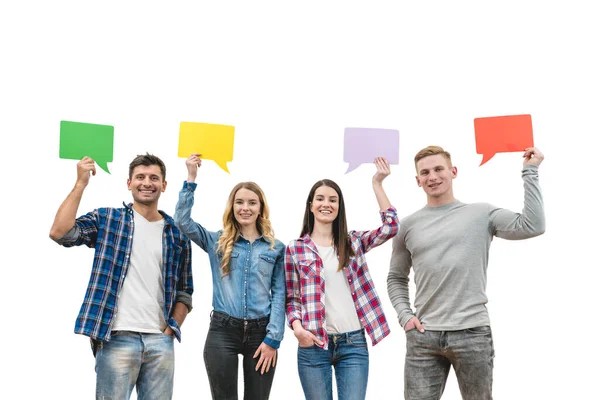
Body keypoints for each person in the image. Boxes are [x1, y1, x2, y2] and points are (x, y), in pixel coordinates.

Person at [387, 145, 545, 399]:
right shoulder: (407, 226)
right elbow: (396, 277)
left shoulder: (481, 214)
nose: (433, 177)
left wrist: (530, 171)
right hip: (424, 337)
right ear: (418, 181)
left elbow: (533, 225)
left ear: (453, 172)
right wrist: (405, 316)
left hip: (472, 333)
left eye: (439, 169)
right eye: (425, 172)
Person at [49, 154, 193, 400]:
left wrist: (170, 329)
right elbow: (60, 233)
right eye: (140, 177)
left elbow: (185, 291)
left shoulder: (177, 233)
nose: (147, 182)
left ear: (164, 185)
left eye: (154, 178)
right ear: (129, 183)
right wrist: (80, 183)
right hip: (116, 337)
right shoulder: (108, 220)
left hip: (160, 342)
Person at [285, 157, 399, 400]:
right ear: (311, 205)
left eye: (333, 200)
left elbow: (391, 228)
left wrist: (377, 183)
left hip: (353, 344)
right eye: (321, 198)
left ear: (339, 207)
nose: (327, 204)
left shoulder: (353, 242)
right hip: (313, 344)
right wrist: (297, 329)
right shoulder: (295, 249)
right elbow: (292, 298)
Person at [174, 153, 285, 400]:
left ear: (261, 208)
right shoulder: (216, 241)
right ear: (232, 207)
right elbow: (182, 222)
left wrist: (273, 339)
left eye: (252, 203)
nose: (245, 208)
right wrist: (191, 178)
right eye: (239, 202)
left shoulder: (276, 248)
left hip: (261, 334)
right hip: (223, 331)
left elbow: (280, 296)